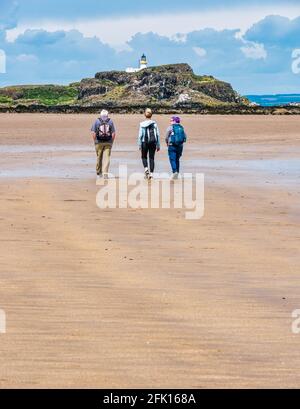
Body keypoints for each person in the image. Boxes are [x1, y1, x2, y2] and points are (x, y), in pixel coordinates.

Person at [91, 110, 116, 180]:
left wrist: (95, 141)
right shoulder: (110, 121)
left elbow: (93, 133)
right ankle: (105, 173)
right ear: (107, 115)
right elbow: (113, 133)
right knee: (107, 158)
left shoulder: (97, 121)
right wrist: (111, 142)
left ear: (100, 115)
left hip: (98, 142)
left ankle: (99, 173)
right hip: (108, 142)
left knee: (99, 157)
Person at [138, 108, 160, 180]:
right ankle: (151, 174)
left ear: (145, 115)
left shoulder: (142, 124)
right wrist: (158, 145)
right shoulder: (154, 124)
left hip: (144, 142)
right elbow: (157, 135)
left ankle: (146, 169)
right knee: (151, 158)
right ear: (151, 115)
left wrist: (139, 144)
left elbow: (140, 135)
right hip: (153, 142)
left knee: (144, 157)